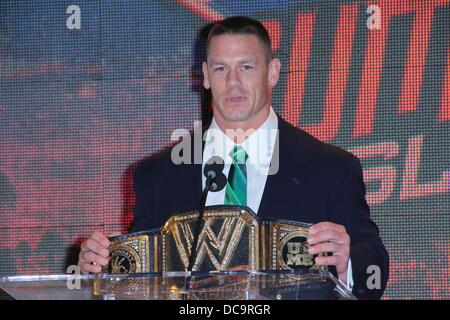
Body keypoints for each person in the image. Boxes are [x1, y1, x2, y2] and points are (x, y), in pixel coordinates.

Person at [78, 16, 389, 299]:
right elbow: (140, 279)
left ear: (273, 72)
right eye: (221, 68)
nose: (233, 82)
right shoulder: (157, 175)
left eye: (246, 66)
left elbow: (372, 264)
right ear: (206, 76)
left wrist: (347, 262)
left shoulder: (331, 168)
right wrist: (105, 269)